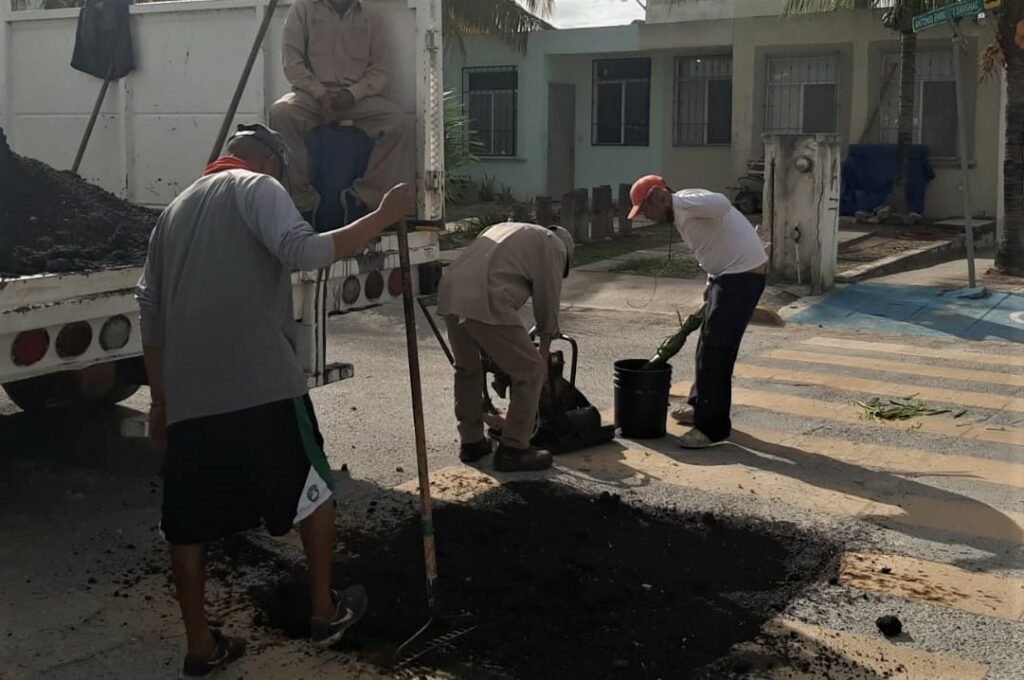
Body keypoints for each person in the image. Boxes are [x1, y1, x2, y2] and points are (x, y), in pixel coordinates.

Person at [137, 123, 413, 677]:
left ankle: (199, 647)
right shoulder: (257, 187)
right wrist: (385, 215)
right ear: (273, 164)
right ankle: (323, 611)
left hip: (191, 399)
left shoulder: (173, 212)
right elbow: (303, 251)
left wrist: (161, 404)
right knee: (313, 490)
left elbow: (150, 311)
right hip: (261, 384)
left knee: (185, 523)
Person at [627, 175, 767, 449]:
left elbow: (723, 204)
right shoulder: (683, 215)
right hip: (726, 277)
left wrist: (678, 199)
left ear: (659, 196)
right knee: (706, 347)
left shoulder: (687, 202)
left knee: (717, 352)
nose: (648, 217)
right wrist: (710, 282)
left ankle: (711, 428)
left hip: (741, 279)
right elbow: (713, 243)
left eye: (646, 210)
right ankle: (699, 406)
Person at [437, 223, 575, 473]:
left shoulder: (506, 228)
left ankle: (472, 442)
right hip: (485, 297)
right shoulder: (554, 246)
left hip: (451, 290)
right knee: (531, 371)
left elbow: (496, 270)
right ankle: (514, 449)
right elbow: (547, 298)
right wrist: (542, 352)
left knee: (468, 369)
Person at [270, 0, 411, 224]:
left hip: (356, 100)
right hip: (311, 97)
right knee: (281, 113)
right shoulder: (302, 10)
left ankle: (362, 201)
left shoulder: (371, 17)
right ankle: (302, 203)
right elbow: (292, 64)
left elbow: (379, 70)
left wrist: (351, 94)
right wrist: (320, 93)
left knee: (397, 123)